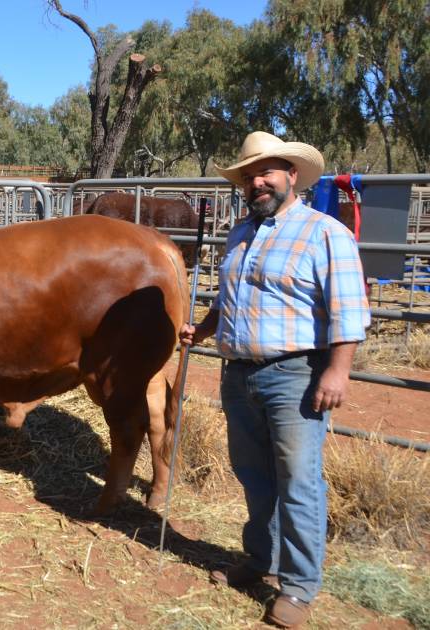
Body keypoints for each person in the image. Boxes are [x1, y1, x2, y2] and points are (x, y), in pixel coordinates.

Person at [180, 131, 370, 628]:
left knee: (299, 482)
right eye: (249, 176)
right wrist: (201, 328)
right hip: (238, 374)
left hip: (296, 375)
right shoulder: (242, 231)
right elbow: (232, 298)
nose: (257, 182)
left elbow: (348, 309)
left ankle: (300, 588)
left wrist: (337, 370)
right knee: (254, 475)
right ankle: (259, 560)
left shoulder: (325, 232)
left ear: (292, 176)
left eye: (266, 172)